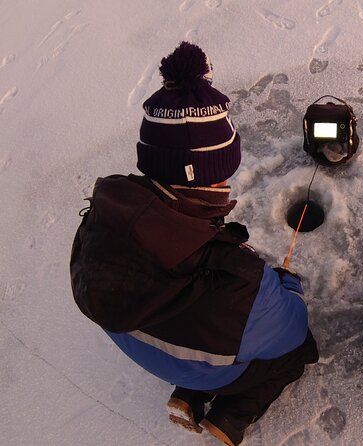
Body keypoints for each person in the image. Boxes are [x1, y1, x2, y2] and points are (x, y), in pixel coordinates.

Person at [70, 42, 318, 446]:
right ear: (202, 177)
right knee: (296, 352)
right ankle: (231, 414)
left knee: (212, 330)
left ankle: (188, 394)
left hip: (149, 350)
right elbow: (291, 327)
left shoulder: (98, 221)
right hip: (200, 356)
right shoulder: (239, 281)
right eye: (222, 173)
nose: (226, 182)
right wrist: (287, 285)